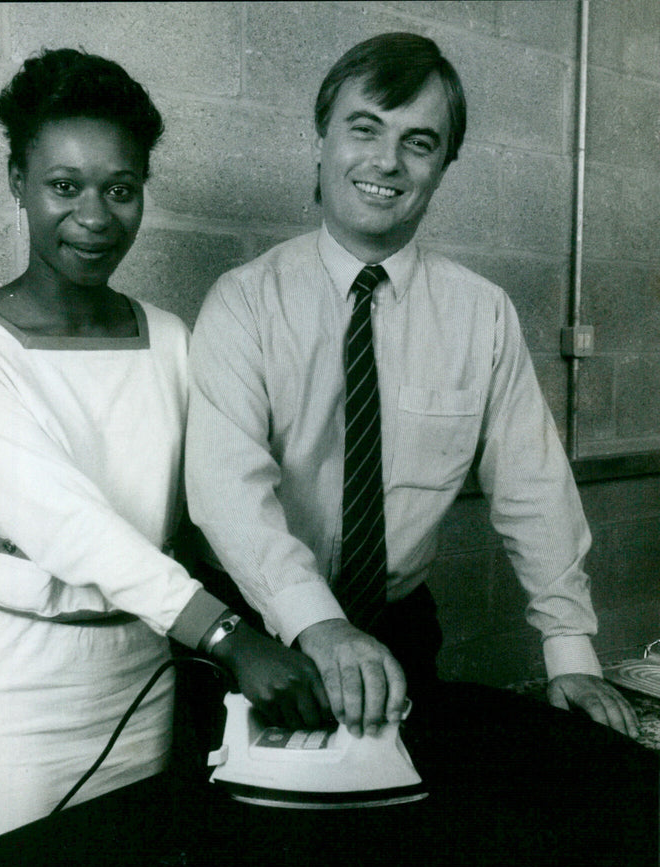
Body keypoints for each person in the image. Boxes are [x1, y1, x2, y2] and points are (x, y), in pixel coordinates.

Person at [0, 48, 322, 850]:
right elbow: (64, 522)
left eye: (120, 190)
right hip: (17, 697)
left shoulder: (168, 338)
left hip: (145, 678)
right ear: (16, 181)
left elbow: (212, 504)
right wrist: (234, 639)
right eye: (64, 186)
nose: (95, 216)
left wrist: (309, 623)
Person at [185, 32, 639, 740]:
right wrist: (318, 626)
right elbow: (226, 493)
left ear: (442, 167)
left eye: (419, 142)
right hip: (253, 632)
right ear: (321, 141)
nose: (386, 161)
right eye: (364, 129)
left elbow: (533, 485)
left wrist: (569, 649)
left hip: (397, 631)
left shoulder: (481, 311)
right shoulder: (243, 302)